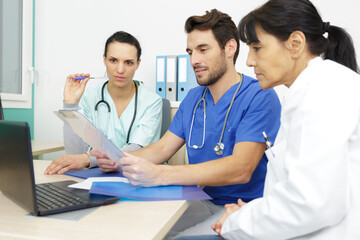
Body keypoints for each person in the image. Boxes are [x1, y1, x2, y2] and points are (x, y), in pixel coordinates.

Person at [93, 9, 281, 238]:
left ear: (229, 48)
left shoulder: (259, 96)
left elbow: (241, 169)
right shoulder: (193, 98)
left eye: (203, 50)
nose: (194, 61)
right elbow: (163, 148)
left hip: (241, 208)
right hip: (203, 201)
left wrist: (160, 175)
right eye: (191, 52)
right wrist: (118, 160)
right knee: (133, 227)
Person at [207, 0, 360, 239]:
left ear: (295, 44)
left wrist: (236, 221)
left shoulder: (320, 91)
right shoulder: (317, 86)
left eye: (257, 48)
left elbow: (311, 203)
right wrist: (253, 212)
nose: (249, 61)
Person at [45, 31, 162, 175]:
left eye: (128, 62)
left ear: (138, 64)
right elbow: (74, 155)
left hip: (138, 175)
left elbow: (134, 150)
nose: (120, 70)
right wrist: (71, 105)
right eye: (113, 60)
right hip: (98, 175)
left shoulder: (152, 101)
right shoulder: (89, 96)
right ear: (104, 59)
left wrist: (88, 159)